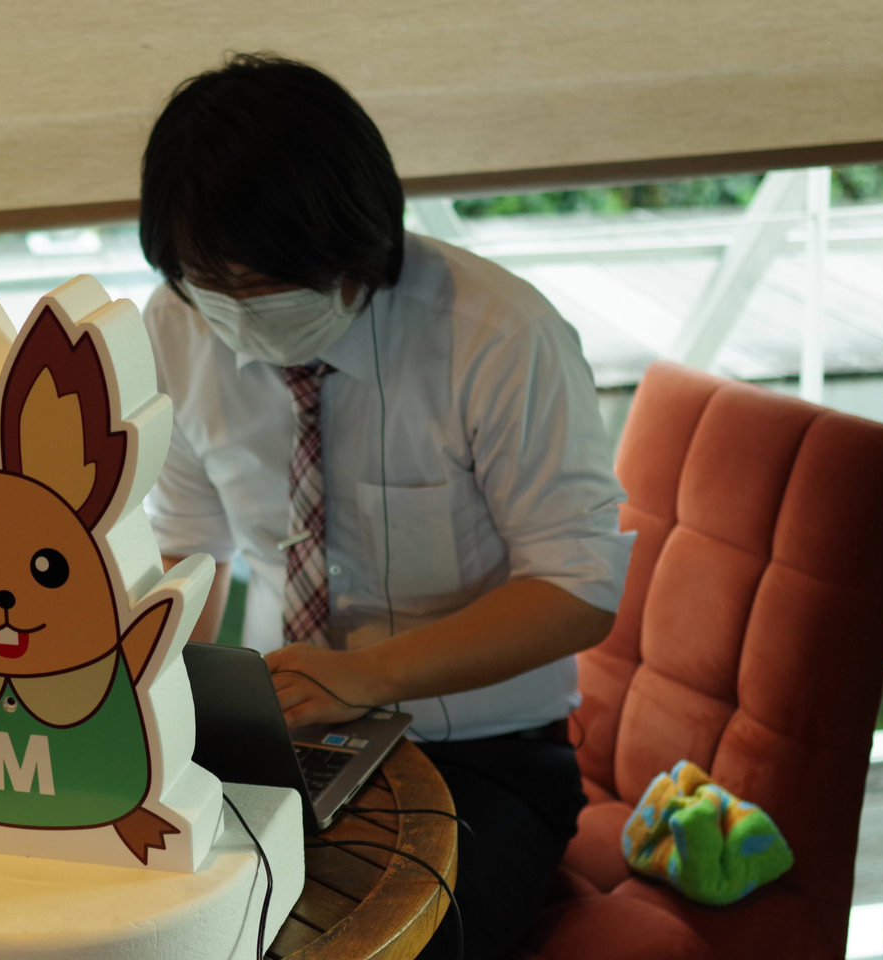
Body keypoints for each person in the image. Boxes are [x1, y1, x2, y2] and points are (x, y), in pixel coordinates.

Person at [138, 53, 632, 959]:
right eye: (210, 285)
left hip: (483, 753)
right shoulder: (175, 325)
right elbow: (187, 545)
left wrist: (364, 676)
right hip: (279, 737)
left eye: (264, 288)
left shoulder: (497, 337)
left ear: (356, 246)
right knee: (158, 922)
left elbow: (578, 590)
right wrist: (155, 699)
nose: (234, 312)